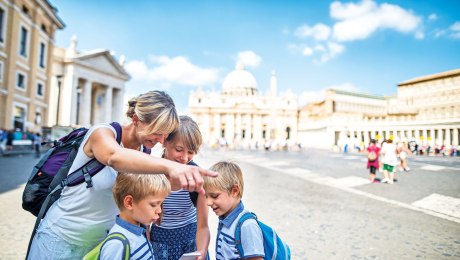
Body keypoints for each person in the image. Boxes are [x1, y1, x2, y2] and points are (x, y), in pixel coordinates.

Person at [27, 90, 218, 259]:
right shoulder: (103, 133)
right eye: (157, 133)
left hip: (102, 244)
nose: (160, 140)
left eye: (165, 135)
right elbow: (114, 156)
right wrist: (169, 167)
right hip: (62, 238)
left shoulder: (145, 153)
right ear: (135, 120)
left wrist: (185, 178)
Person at [150, 115, 210, 260]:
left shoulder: (197, 178)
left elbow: (203, 226)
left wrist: (201, 252)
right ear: (164, 142)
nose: (184, 157)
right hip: (159, 242)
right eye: (179, 149)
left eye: (190, 152)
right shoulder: (151, 174)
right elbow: (144, 224)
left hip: (191, 241)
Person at [97, 173, 171, 259]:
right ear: (129, 202)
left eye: (160, 204)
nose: (159, 210)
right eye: (154, 204)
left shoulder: (140, 229)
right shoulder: (117, 245)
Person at [204, 161, 264, 260]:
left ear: (235, 191)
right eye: (206, 196)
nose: (208, 202)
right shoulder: (225, 220)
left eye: (214, 196)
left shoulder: (247, 226)